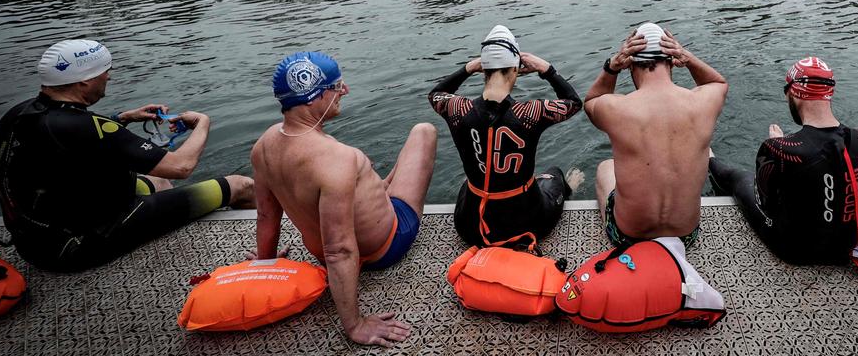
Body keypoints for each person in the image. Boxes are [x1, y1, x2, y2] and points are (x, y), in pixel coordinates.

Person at [0, 39, 253, 272]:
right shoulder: (86, 126)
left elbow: (71, 134)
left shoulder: (19, 114)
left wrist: (123, 118)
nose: (109, 77)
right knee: (241, 185)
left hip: (33, 242)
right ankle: (265, 251)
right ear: (84, 80)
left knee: (158, 183)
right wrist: (202, 123)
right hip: (80, 246)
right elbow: (181, 167)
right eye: (105, 72)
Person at [250, 51, 437, 347]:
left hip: (319, 251)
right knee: (423, 132)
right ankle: (382, 187)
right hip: (384, 245)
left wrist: (266, 264)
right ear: (314, 96)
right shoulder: (337, 158)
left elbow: (266, 215)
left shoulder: (263, 146)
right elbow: (338, 250)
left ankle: (378, 183)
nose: (345, 91)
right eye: (337, 87)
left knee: (368, 171)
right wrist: (355, 325)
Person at [709, 56, 858, 265]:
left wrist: (776, 149)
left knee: (741, 179)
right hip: (850, 245)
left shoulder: (781, 149)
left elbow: (767, 206)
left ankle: (708, 157)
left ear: (792, 93)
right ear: (830, 93)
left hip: (795, 252)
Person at [428, 25, 583, 248]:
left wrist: (468, 68)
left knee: (471, 181)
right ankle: (564, 188)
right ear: (515, 70)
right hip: (527, 224)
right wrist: (546, 69)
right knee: (555, 173)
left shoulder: (457, 109)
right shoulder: (530, 113)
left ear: (483, 70)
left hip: (469, 226)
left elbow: (435, 94)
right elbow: (573, 103)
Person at [587, 23, 728, 248]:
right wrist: (688, 57)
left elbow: (591, 101)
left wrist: (611, 66)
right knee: (704, 150)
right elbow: (717, 83)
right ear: (672, 61)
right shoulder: (703, 102)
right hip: (686, 237)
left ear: (631, 64)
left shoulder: (616, 108)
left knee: (605, 167)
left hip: (628, 237)